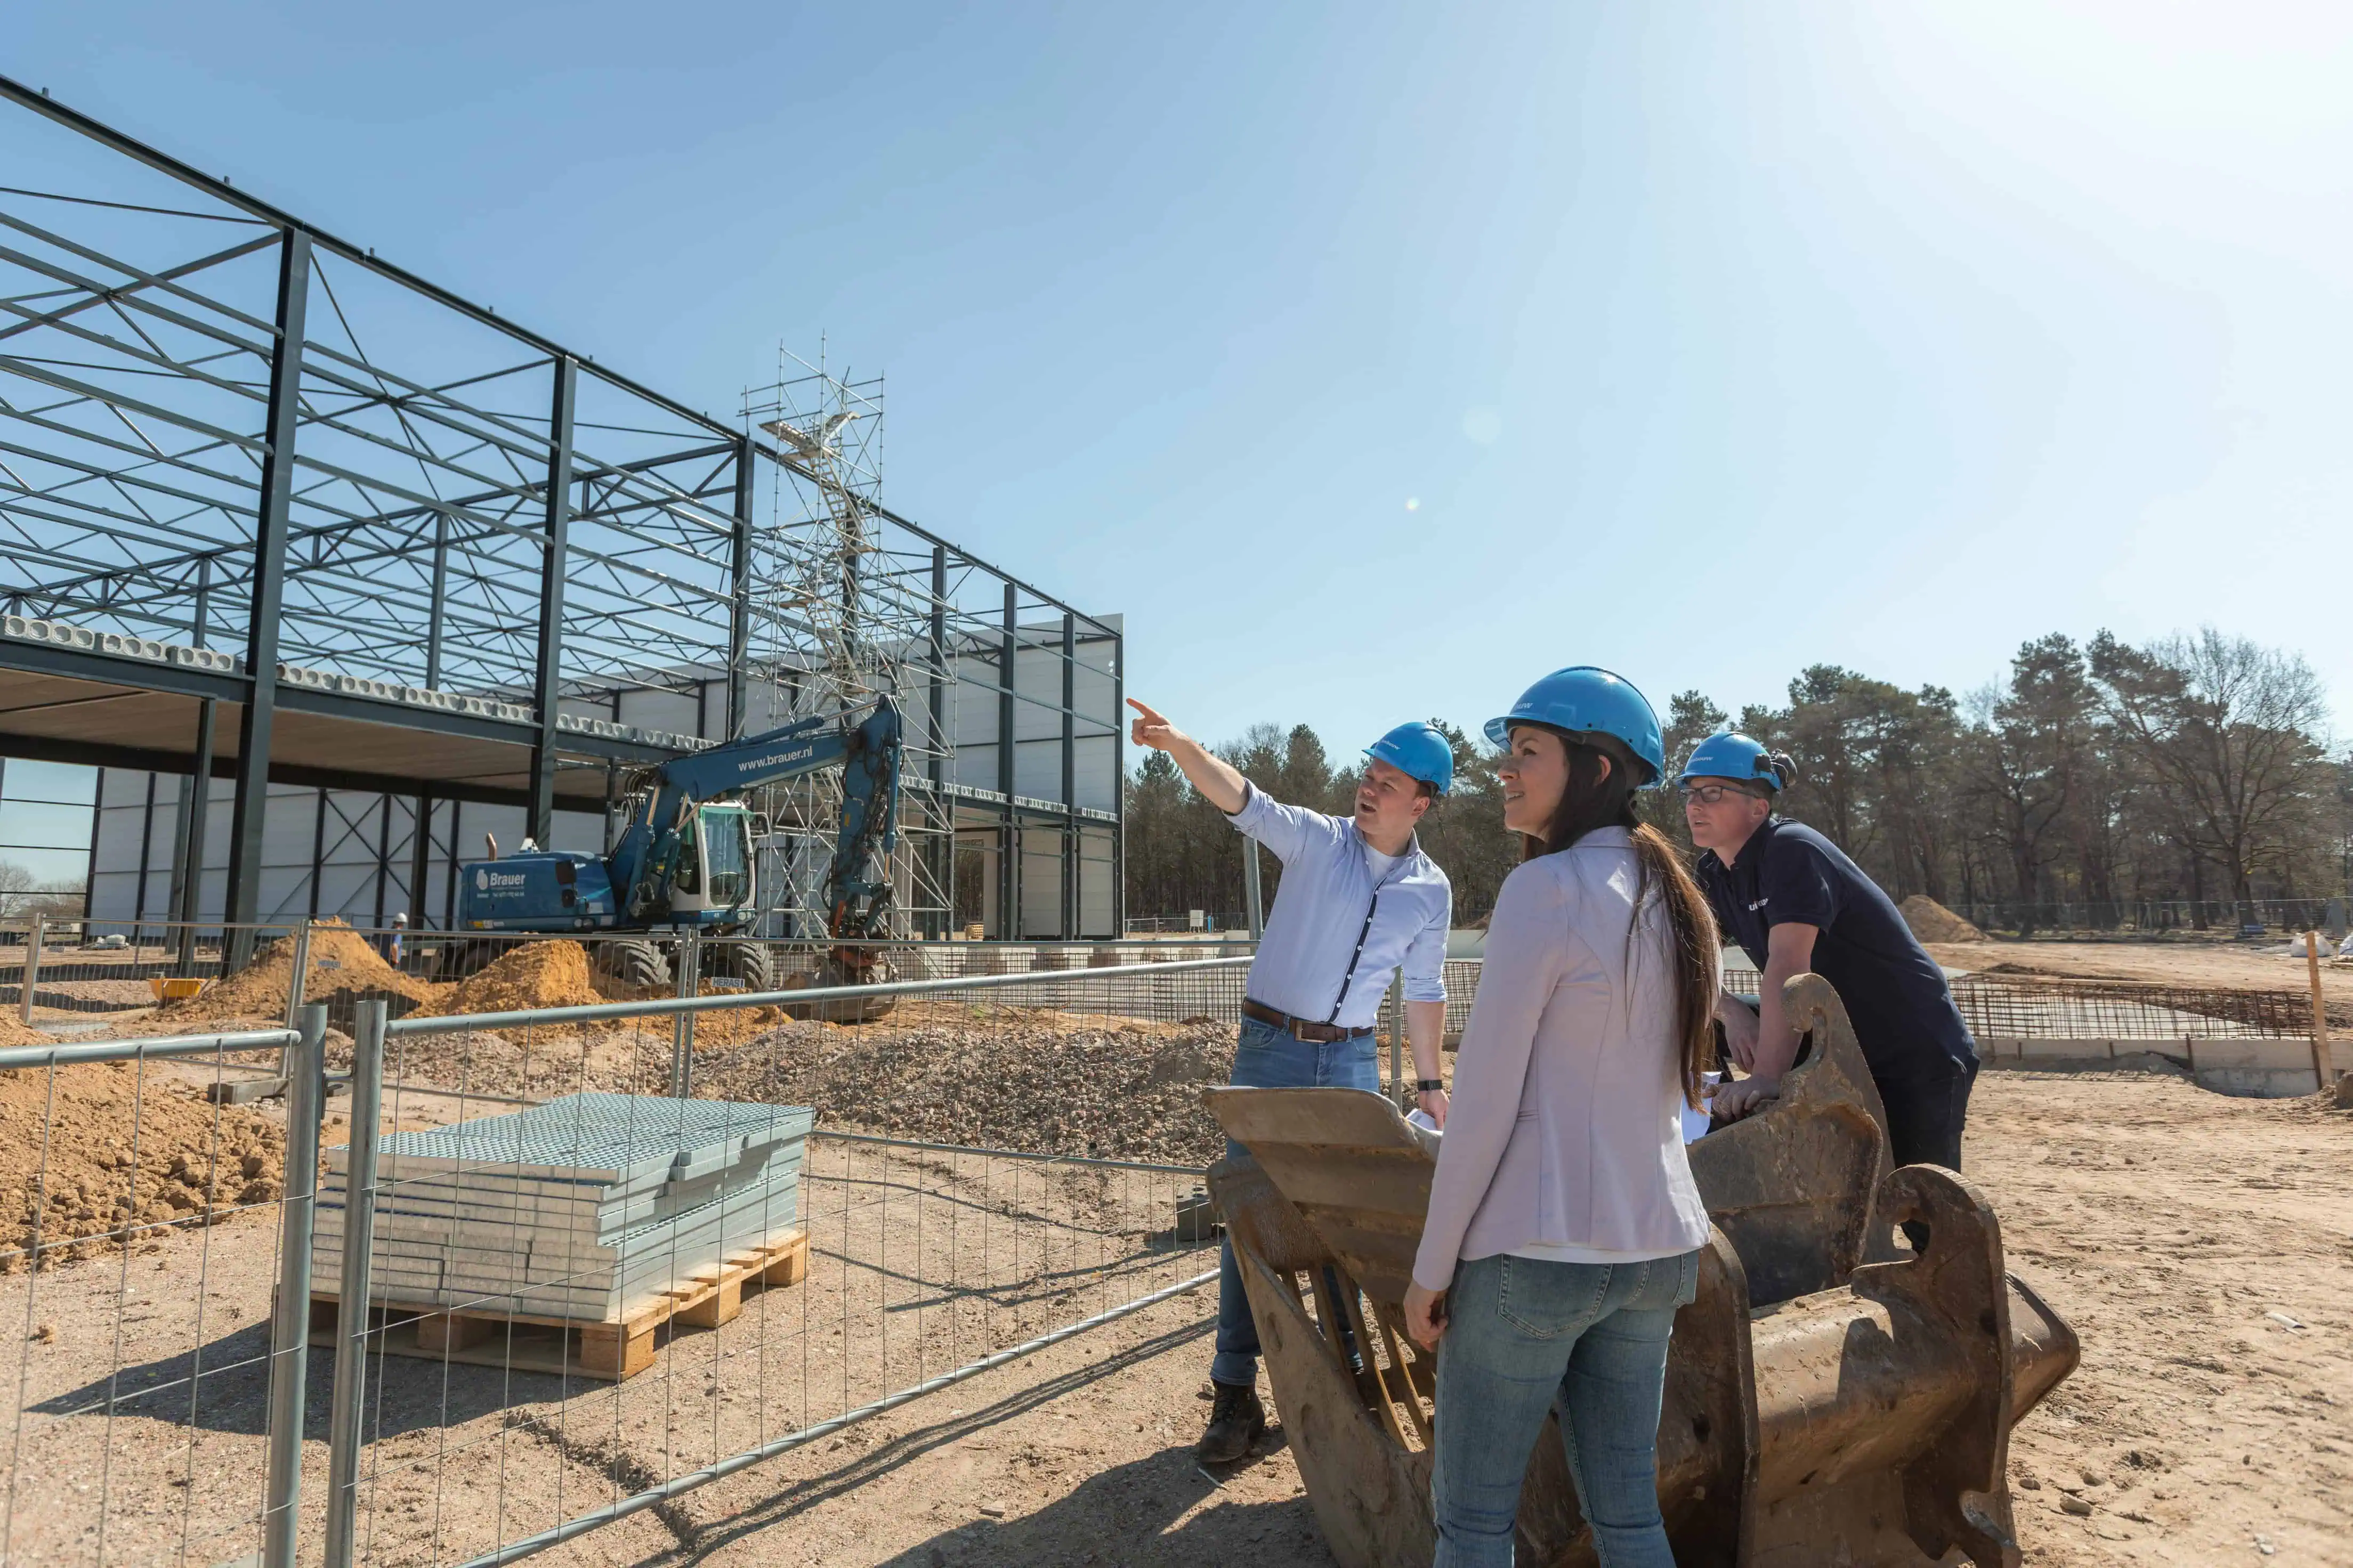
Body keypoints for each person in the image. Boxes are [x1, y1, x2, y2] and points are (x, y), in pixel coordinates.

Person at [1403, 667, 1716, 1568]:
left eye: (1527, 750)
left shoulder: (1545, 889)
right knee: (1628, 1515)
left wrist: (1430, 1268)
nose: (1503, 768)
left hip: (1536, 1253)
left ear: (1598, 767)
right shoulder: (1677, 896)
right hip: (1656, 1250)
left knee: (1473, 1523)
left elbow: (1485, 1101)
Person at [1126, 698, 1454, 1464]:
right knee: (1251, 1217)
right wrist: (1180, 746)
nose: (1368, 788)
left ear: (1420, 803)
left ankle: (1349, 1382)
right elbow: (1242, 797)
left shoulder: (1429, 890)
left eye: (1388, 782)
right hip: (1271, 1052)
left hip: (1351, 1064)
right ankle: (1234, 1393)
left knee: (1347, 1218)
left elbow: (1426, 988)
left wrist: (1429, 1083)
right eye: (1368, 774)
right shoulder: (1316, 840)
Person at [1680, 733, 1979, 1178]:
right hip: (1833, 1034)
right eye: (1689, 792)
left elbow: (1789, 965)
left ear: (1758, 808)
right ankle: (1719, 1124)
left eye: (1712, 792)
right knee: (1694, 1016)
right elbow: (1688, 962)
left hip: (1909, 1046)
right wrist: (1733, 1013)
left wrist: (1766, 1076)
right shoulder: (1712, 873)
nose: (1694, 805)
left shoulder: (1791, 850)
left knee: (1915, 1191)